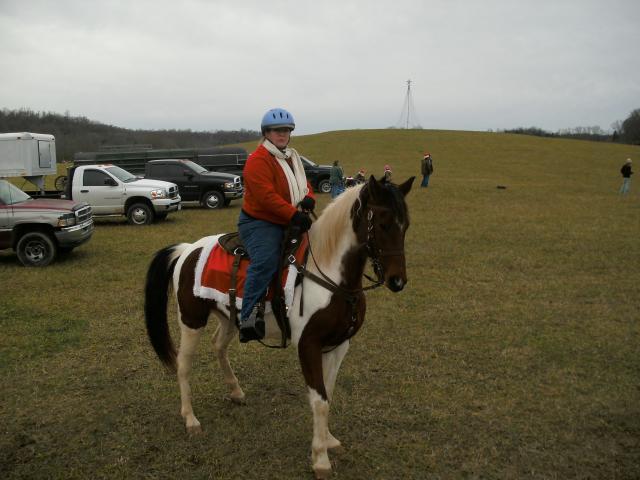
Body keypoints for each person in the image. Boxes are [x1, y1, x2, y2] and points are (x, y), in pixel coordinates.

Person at [237, 108, 315, 342]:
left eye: (286, 130)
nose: (282, 134)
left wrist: (309, 197)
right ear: (266, 133)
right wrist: (293, 214)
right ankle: (248, 316)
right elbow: (265, 197)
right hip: (260, 221)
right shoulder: (257, 160)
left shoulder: (291, 157)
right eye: (276, 130)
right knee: (265, 261)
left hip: (289, 217)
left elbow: (304, 184)